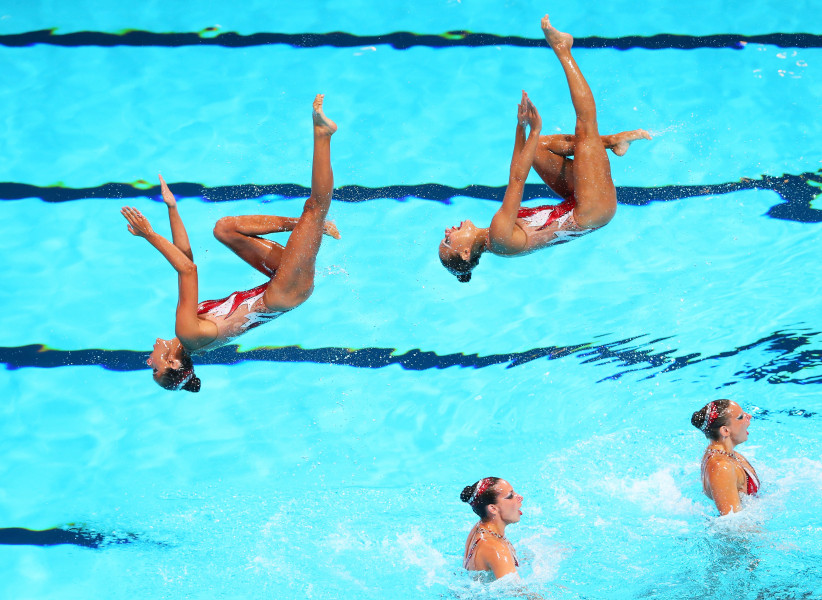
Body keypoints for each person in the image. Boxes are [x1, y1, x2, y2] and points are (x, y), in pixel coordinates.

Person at [120, 94, 338, 392]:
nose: (149, 362)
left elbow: (185, 260)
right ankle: (323, 135)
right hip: (283, 293)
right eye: (155, 368)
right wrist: (149, 235)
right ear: (172, 363)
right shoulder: (186, 334)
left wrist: (172, 209)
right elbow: (187, 271)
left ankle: (314, 227)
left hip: (277, 287)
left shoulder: (189, 338)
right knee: (314, 207)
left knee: (225, 230)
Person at [439, 15, 651, 282]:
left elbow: (517, 171)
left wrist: (522, 128)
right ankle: (563, 48)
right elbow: (517, 178)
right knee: (585, 126)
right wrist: (532, 128)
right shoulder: (500, 239)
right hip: (591, 211)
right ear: (467, 253)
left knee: (536, 148)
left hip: (576, 205)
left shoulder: (496, 237)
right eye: (448, 242)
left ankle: (611, 142)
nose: (448, 231)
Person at [691, 399, 760, 515]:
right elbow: (733, 525)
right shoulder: (722, 467)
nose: (749, 416)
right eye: (740, 417)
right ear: (725, 430)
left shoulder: (730, 455)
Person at [461, 477, 523, 579]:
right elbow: (517, 592)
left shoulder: (479, 527)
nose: (520, 497)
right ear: (493, 509)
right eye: (510, 496)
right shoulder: (497, 549)